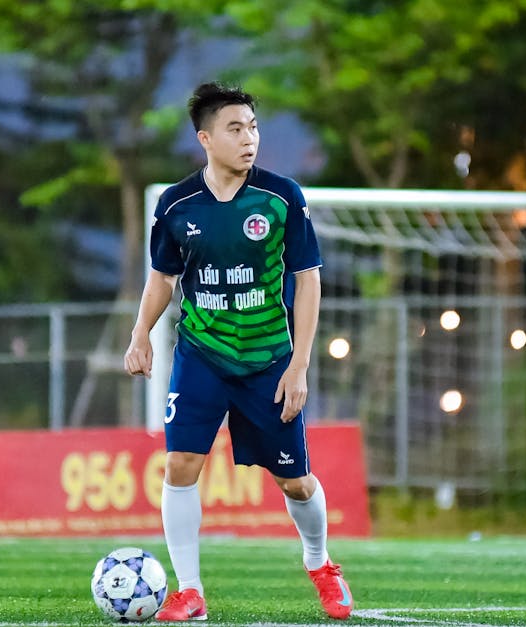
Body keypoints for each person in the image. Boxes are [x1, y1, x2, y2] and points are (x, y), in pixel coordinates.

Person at [124, 82, 353, 621]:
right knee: (180, 463)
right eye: (235, 128)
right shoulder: (176, 205)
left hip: (269, 361)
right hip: (201, 354)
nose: (248, 138)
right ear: (205, 138)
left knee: (294, 479)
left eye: (252, 127)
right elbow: (162, 278)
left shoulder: (281, 197)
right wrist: (139, 334)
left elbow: (308, 281)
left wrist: (299, 365)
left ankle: (321, 565)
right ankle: (189, 592)